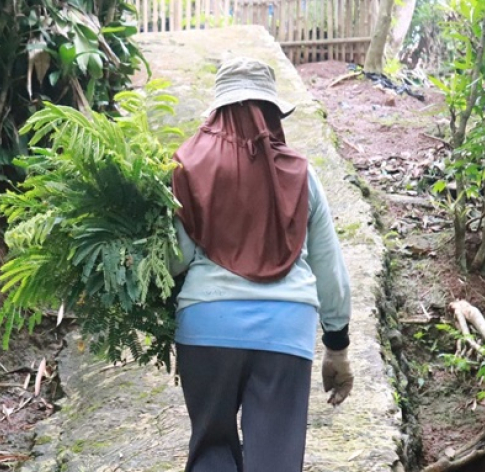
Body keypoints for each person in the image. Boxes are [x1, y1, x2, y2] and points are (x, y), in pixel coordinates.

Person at [168, 56, 354, 472]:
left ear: (217, 114)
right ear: (273, 112)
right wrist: (336, 346)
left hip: (206, 328)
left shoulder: (186, 168)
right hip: (286, 332)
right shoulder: (302, 175)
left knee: (211, 451)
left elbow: (175, 261)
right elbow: (330, 269)